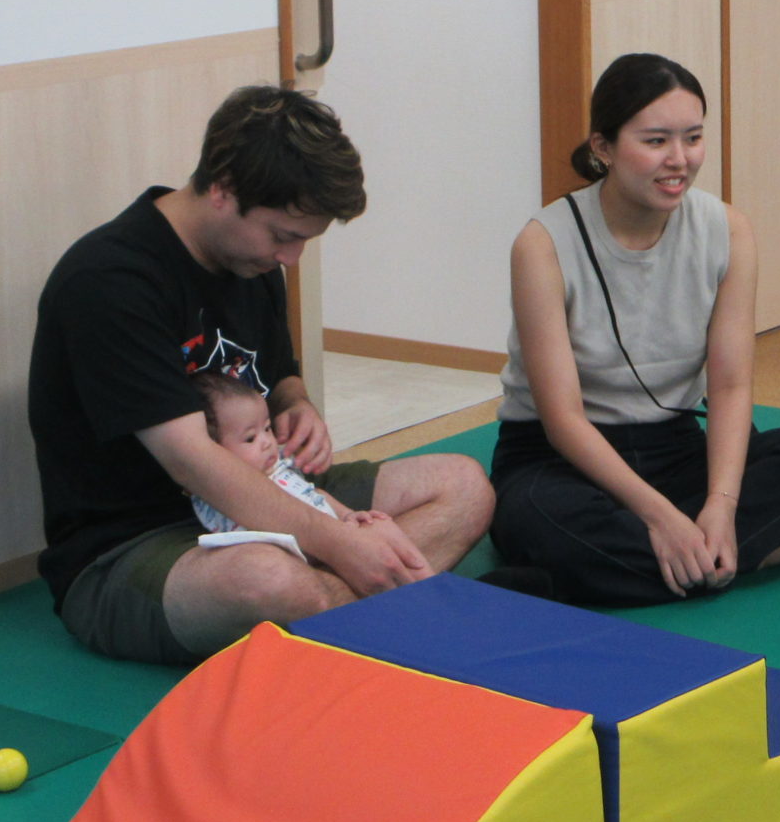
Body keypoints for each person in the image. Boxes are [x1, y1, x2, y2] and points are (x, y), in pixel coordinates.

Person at [30, 84, 495, 665]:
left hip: (272, 487)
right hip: (141, 543)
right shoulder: (111, 280)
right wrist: (341, 544)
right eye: (283, 236)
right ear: (223, 189)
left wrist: (298, 406)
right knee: (268, 582)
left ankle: (339, 614)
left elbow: (278, 378)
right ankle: (372, 606)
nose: (290, 259)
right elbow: (192, 461)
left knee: (464, 487)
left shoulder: (250, 262)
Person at [490, 52, 780, 605]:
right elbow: (563, 420)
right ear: (603, 147)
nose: (679, 160)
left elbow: (730, 386)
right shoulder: (543, 244)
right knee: (543, 521)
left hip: (674, 446)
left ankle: (685, 555)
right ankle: (767, 552)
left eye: (692, 138)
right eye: (655, 141)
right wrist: (661, 517)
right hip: (561, 459)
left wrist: (720, 503)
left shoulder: (728, 230)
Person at [185, 369, 394, 542]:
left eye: (267, 428)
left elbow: (314, 495)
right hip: (301, 555)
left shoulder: (279, 468)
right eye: (250, 438)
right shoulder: (225, 502)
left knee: (382, 529)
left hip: (333, 539)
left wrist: (347, 515)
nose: (267, 442)